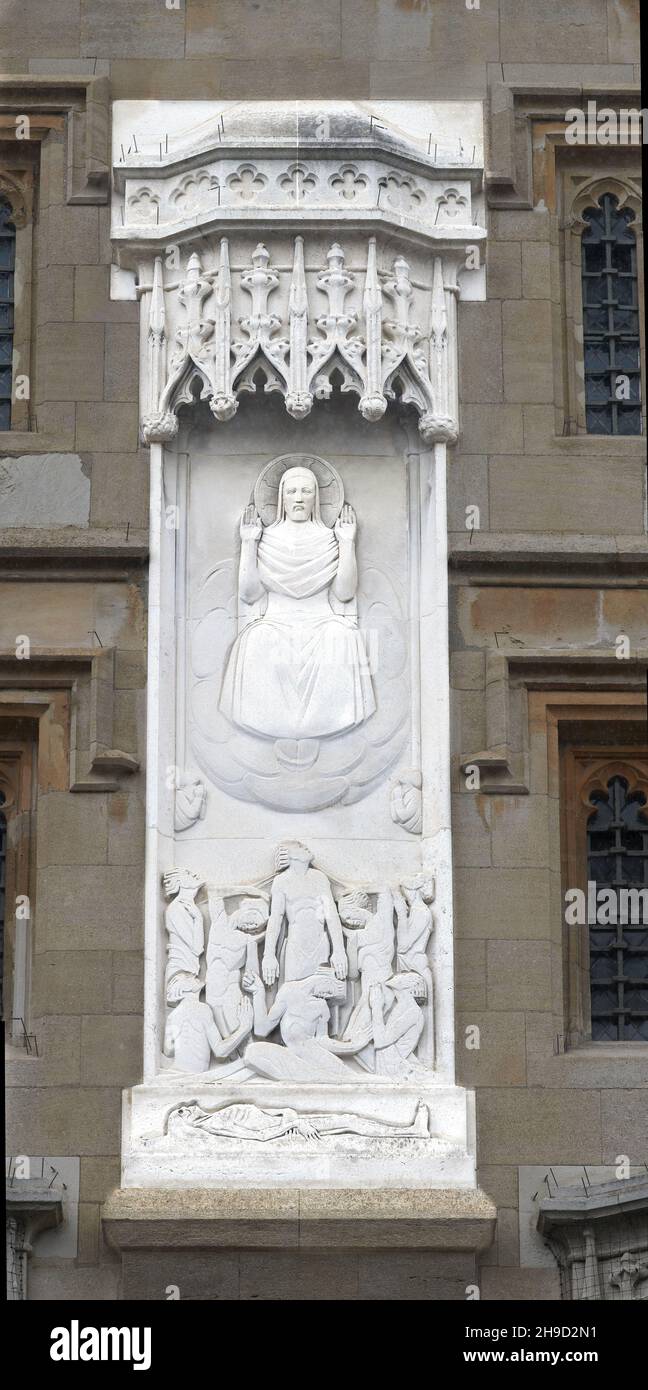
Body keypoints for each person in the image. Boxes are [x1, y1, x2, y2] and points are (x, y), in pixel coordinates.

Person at [219, 465, 375, 740]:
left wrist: (347, 542)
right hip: (275, 622)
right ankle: (266, 720)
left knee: (340, 636)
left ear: (317, 496)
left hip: (322, 622)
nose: (299, 498)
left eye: (306, 491)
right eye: (292, 491)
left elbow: (344, 593)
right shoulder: (265, 539)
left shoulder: (329, 539)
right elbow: (249, 593)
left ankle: (327, 720)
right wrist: (249, 543)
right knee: (257, 638)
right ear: (281, 497)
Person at [261, 840, 348, 985]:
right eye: (300, 847)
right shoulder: (282, 881)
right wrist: (268, 955)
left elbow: (331, 915)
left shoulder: (320, 878)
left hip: (320, 944)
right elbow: (275, 919)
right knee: (293, 994)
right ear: (287, 855)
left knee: (322, 995)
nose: (305, 847)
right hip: (296, 947)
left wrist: (339, 951)